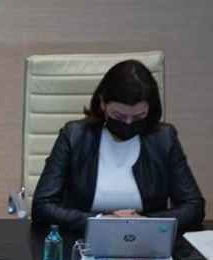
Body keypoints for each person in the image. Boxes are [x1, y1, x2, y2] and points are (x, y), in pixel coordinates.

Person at [32, 59, 204, 233]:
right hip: (81, 240)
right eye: (119, 116)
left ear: (149, 109)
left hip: (146, 239)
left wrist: (145, 222)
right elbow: (42, 206)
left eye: (138, 116)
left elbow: (194, 207)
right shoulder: (75, 135)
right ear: (103, 104)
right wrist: (101, 221)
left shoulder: (164, 138)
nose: (128, 123)